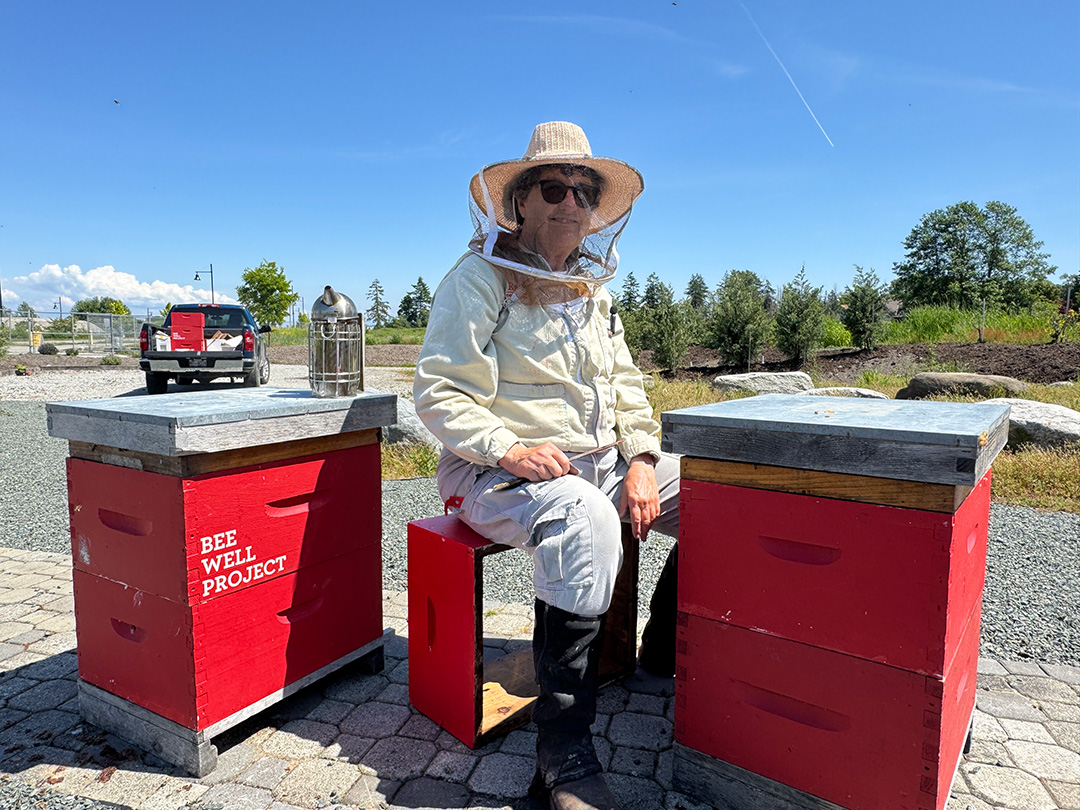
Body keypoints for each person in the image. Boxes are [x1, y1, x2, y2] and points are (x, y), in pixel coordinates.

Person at [413, 121, 679, 810]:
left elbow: (626, 388)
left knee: (722, 494)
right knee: (586, 517)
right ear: (521, 201)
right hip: (495, 472)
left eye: (584, 192)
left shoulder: (595, 293)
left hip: (598, 462)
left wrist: (644, 459)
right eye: (555, 188)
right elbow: (439, 390)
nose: (571, 203)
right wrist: (509, 448)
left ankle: (660, 657)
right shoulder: (478, 280)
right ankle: (562, 756)